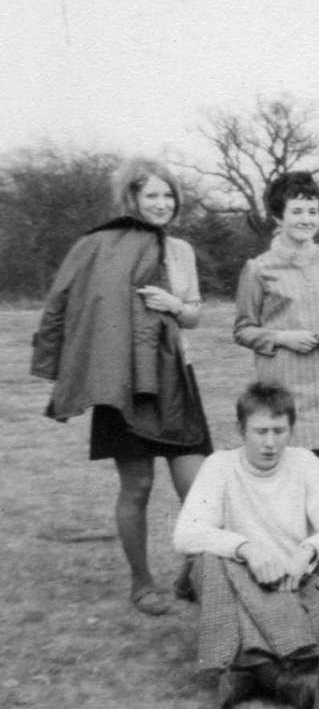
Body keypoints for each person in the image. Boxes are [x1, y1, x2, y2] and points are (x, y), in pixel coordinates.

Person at [30, 157, 212, 616]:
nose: (161, 203)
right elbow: (66, 302)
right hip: (123, 380)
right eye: (151, 195)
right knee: (137, 485)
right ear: (132, 198)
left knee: (200, 485)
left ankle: (197, 571)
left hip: (176, 378)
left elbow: (193, 313)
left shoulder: (182, 250)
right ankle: (141, 584)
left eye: (168, 195)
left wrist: (174, 303)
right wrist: (60, 366)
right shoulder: (101, 246)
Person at [173, 381, 319, 709]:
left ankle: (247, 669)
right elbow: (186, 533)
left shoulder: (304, 463)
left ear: (291, 429)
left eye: (279, 431)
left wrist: (308, 551)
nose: (271, 443)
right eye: (260, 431)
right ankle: (282, 675)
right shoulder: (219, 465)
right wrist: (245, 548)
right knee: (204, 563)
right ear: (241, 430)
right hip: (242, 579)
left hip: (293, 578)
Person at [234, 171, 319, 474]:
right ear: (278, 216)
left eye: (313, 211)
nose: (306, 219)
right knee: (285, 481)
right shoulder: (258, 269)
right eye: (297, 211)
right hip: (284, 387)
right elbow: (243, 329)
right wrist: (281, 337)